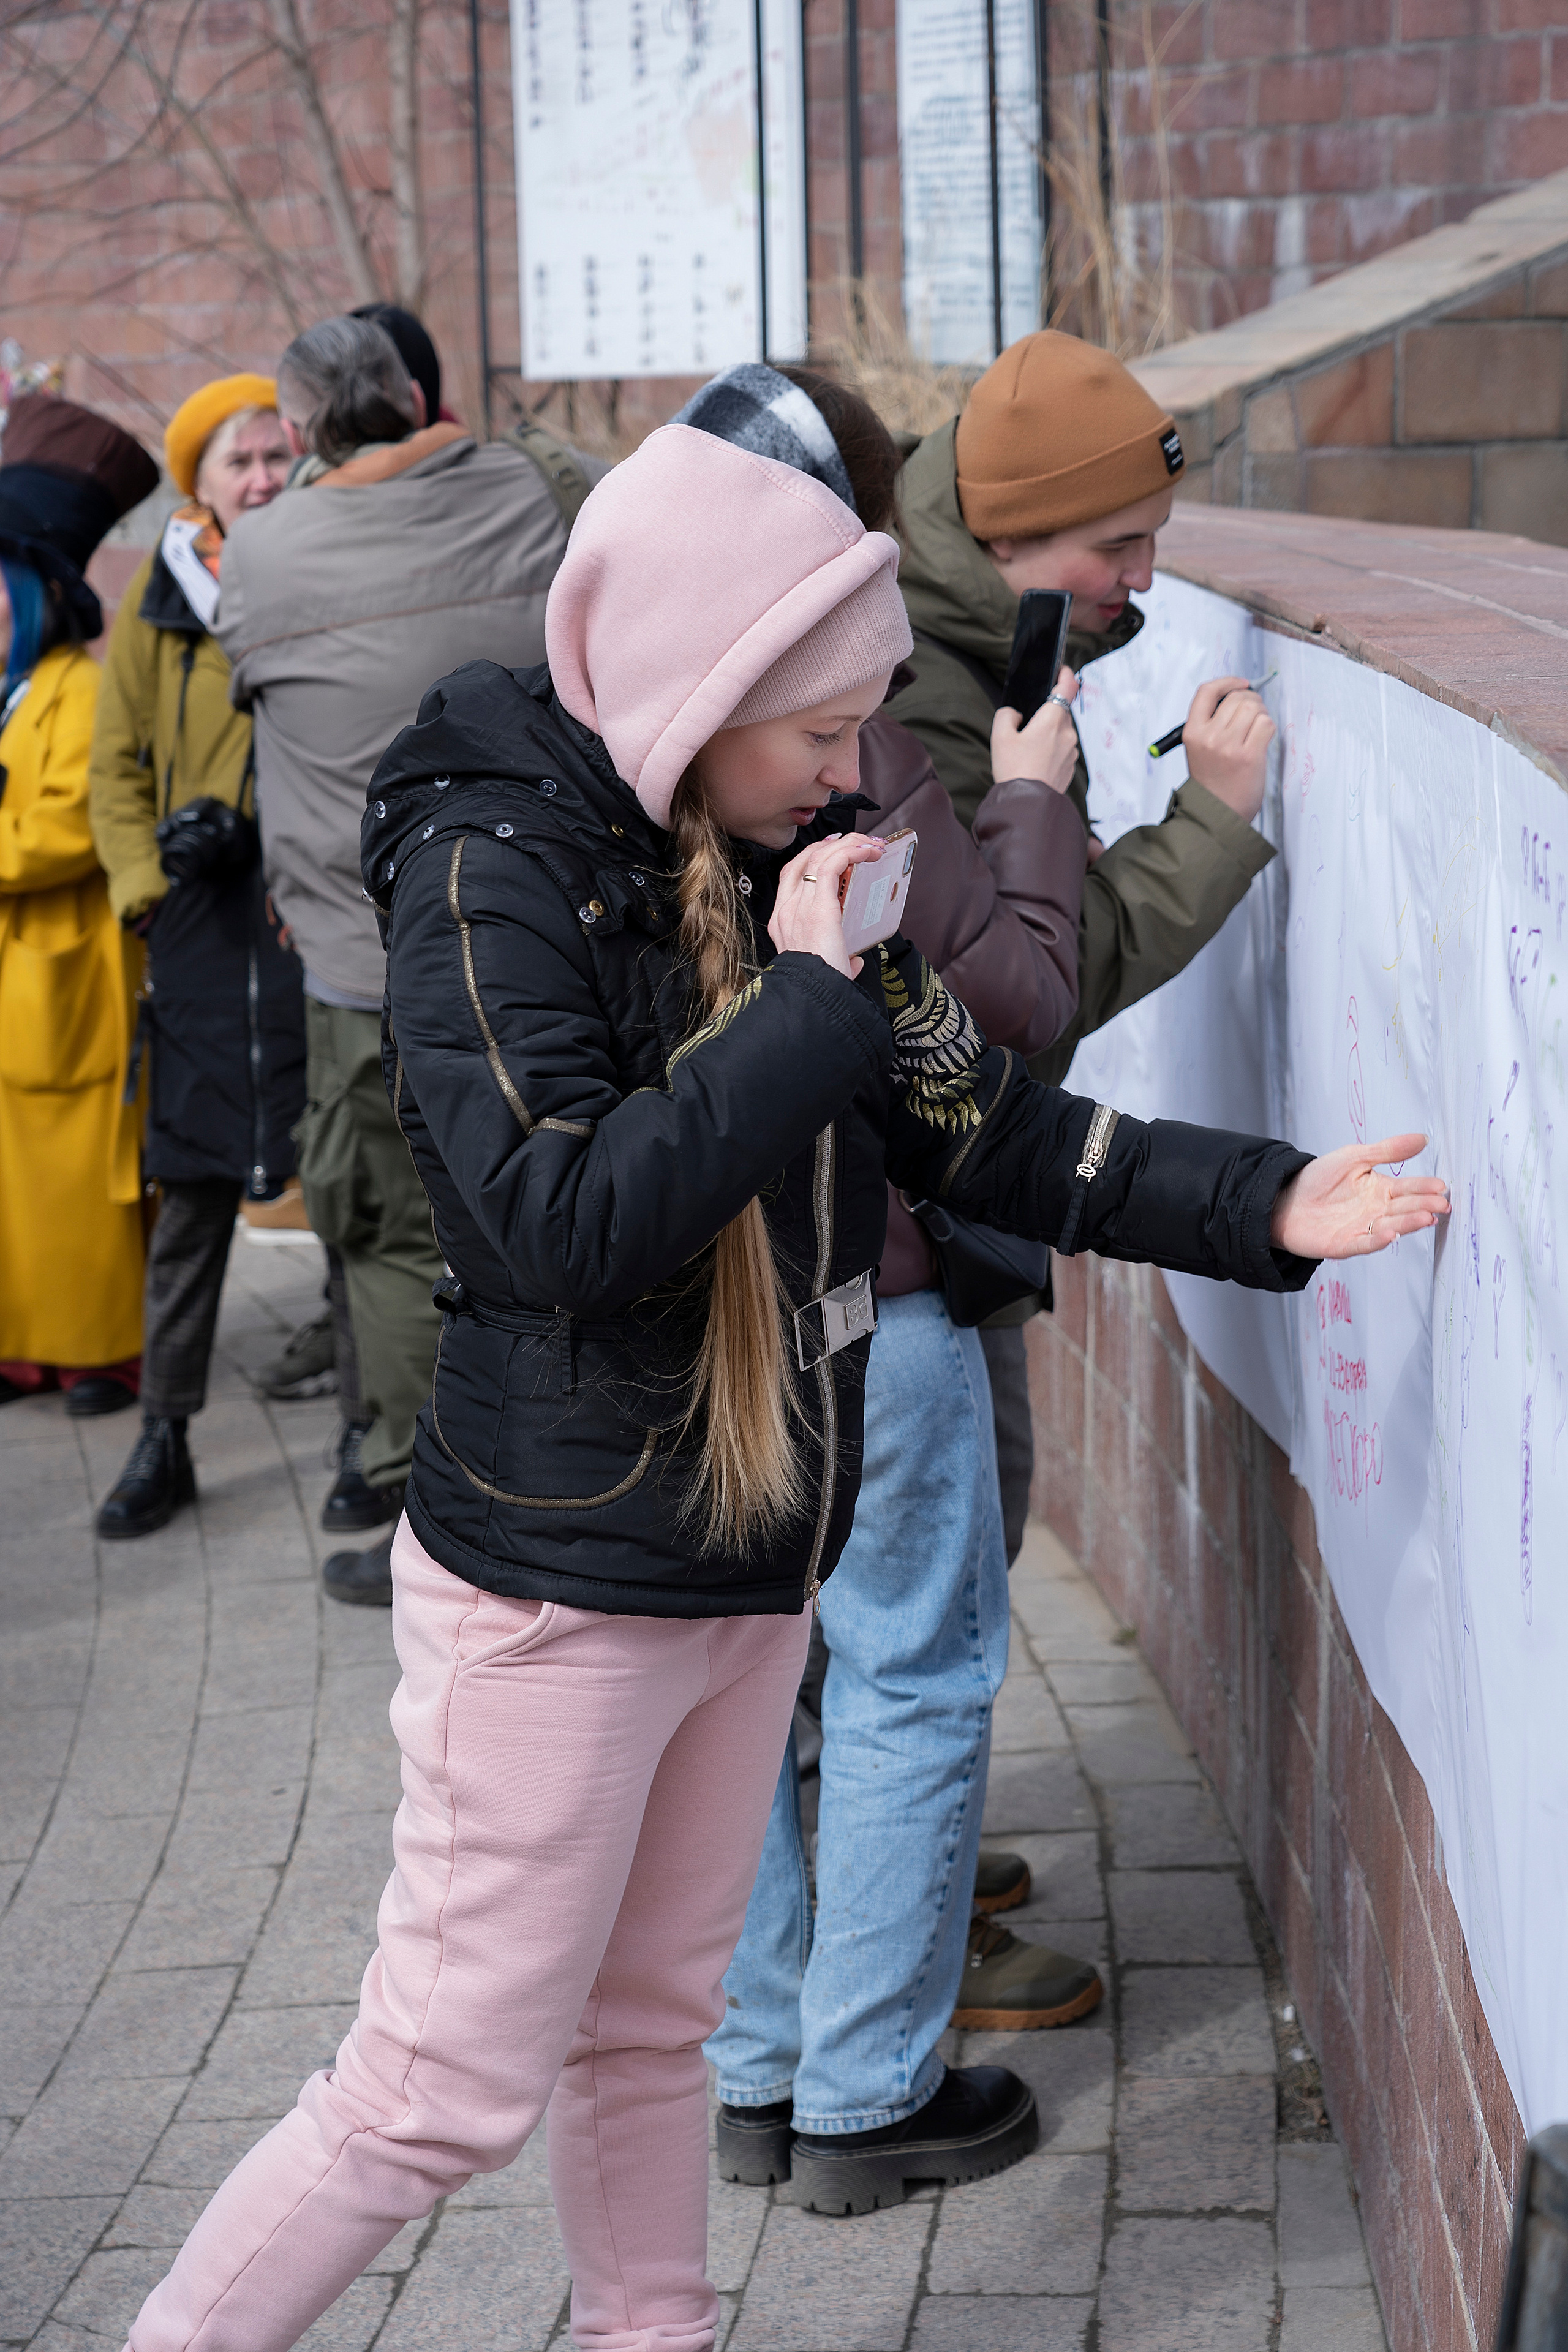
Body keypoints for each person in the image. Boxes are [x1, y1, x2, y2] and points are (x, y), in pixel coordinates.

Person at [124, 420, 1446, 2351]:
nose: (854, 770)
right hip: (562, 1594)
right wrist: (817, 1007)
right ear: (693, 692)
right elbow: (554, 1220)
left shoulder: (782, 852)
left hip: (749, 1564)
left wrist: (1270, 1205)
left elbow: (985, 1133)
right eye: (820, 730)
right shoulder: (494, 861)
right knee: (435, 2090)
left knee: (656, 2034)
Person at [670, 364, 1107, 2193]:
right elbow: (1004, 1019)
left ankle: (765, 2073)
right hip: (889, 1284)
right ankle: (868, 2092)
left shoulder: (638, 738)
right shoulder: (859, 740)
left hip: (703, 1313)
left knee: (752, 1694)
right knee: (912, 1677)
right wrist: (1025, 802)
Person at [889, 328, 1283, 1982]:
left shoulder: (984, 626)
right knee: (921, 1594)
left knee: (946, 1565)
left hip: (930, 1206)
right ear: (1004, 535)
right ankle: (892, 1948)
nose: (1139, 581)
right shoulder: (923, 684)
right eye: (1111, 549)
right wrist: (1213, 820)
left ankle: (903, 1874)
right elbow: (1023, 983)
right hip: (909, 1220)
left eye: (1153, 546)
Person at [215, 312, 604, 1604]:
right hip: (538, 937)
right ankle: (560, 1492)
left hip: (357, 956)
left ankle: (413, 1497)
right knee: (551, 1210)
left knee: (384, 1231)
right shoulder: (518, 489)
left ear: (302, 430)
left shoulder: (265, 550)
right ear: (411, 394)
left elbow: (247, 679)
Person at [86, 375, 325, 1537]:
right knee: (188, 1187)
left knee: (339, 1175)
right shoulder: (159, 602)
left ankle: (378, 1444)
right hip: (189, 928)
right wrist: (147, 888)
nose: (264, 479)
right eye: (240, 463)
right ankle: (164, 1432)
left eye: (278, 457)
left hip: (301, 918)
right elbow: (115, 766)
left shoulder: (324, 564)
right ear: (201, 481)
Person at [0, 394, 159, 1417]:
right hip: (17, 972)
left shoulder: (80, 689)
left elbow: (63, 827)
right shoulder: (13, 693)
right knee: (16, 1178)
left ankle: (103, 1354)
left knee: (78, 1174)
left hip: (69, 969)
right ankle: (23, 1347)